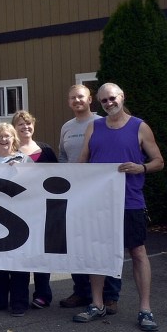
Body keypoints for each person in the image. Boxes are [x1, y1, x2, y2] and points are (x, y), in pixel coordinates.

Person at [73, 83, 164, 332]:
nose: (108, 103)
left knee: (137, 253)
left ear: (122, 97)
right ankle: (98, 304)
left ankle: (145, 309)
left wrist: (141, 167)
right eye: (103, 101)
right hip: (98, 204)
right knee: (98, 254)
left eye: (112, 98)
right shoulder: (95, 126)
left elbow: (159, 161)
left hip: (131, 202)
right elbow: (82, 162)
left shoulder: (139, 126)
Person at [58, 85, 118, 311]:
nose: (77, 100)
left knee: (104, 243)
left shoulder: (103, 122)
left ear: (90, 99)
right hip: (74, 192)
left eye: (80, 97)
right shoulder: (66, 127)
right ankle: (81, 291)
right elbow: (63, 156)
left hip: (99, 192)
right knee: (77, 243)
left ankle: (111, 295)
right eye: (72, 97)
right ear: (68, 102)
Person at [0, 122, 33, 316]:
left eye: (7, 136)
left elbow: (35, 184)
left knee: (19, 263)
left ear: (14, 139)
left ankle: (19, 302)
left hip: (19, 219)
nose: (3, 140)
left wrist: (22, 171)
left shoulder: (25, 160)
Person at [11, 109, 57, 309]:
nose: (25, 127)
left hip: (41, 208)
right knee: (20, 252)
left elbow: (58, 177)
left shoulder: (45, 150)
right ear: (15, 128)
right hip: (17, 210)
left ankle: (43, 293)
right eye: (21, 124)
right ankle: (19, 295)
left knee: (40, 252)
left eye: (28, 123)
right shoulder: (8, 151)